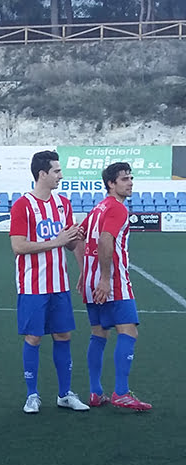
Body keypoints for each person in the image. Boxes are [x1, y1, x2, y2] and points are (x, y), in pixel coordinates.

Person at [9, 151, 88, 414]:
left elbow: (71, 243)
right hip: (33, 285)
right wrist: (57, 241)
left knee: (63, 335)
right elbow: (18, 246)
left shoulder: (64, 204)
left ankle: (65, 394)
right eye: (56, 171)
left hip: (59, 284)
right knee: (33, 337)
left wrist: (79, 239)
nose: (61, 175)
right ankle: (32, 395)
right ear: (42, 174)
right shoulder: (22, 205)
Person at [74, 162, 151, 411]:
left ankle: (96, 392)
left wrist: (86, 272)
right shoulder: (117, 208)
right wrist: (106, 279)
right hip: (113, 283)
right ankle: (121, 392)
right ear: (111, 183)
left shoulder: (97, 208)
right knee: (129, 332)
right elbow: (106, 239)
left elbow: (76, 236)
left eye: (131, 178)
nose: (130, 182)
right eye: (125, 179)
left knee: (99, 334)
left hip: (90, 282)